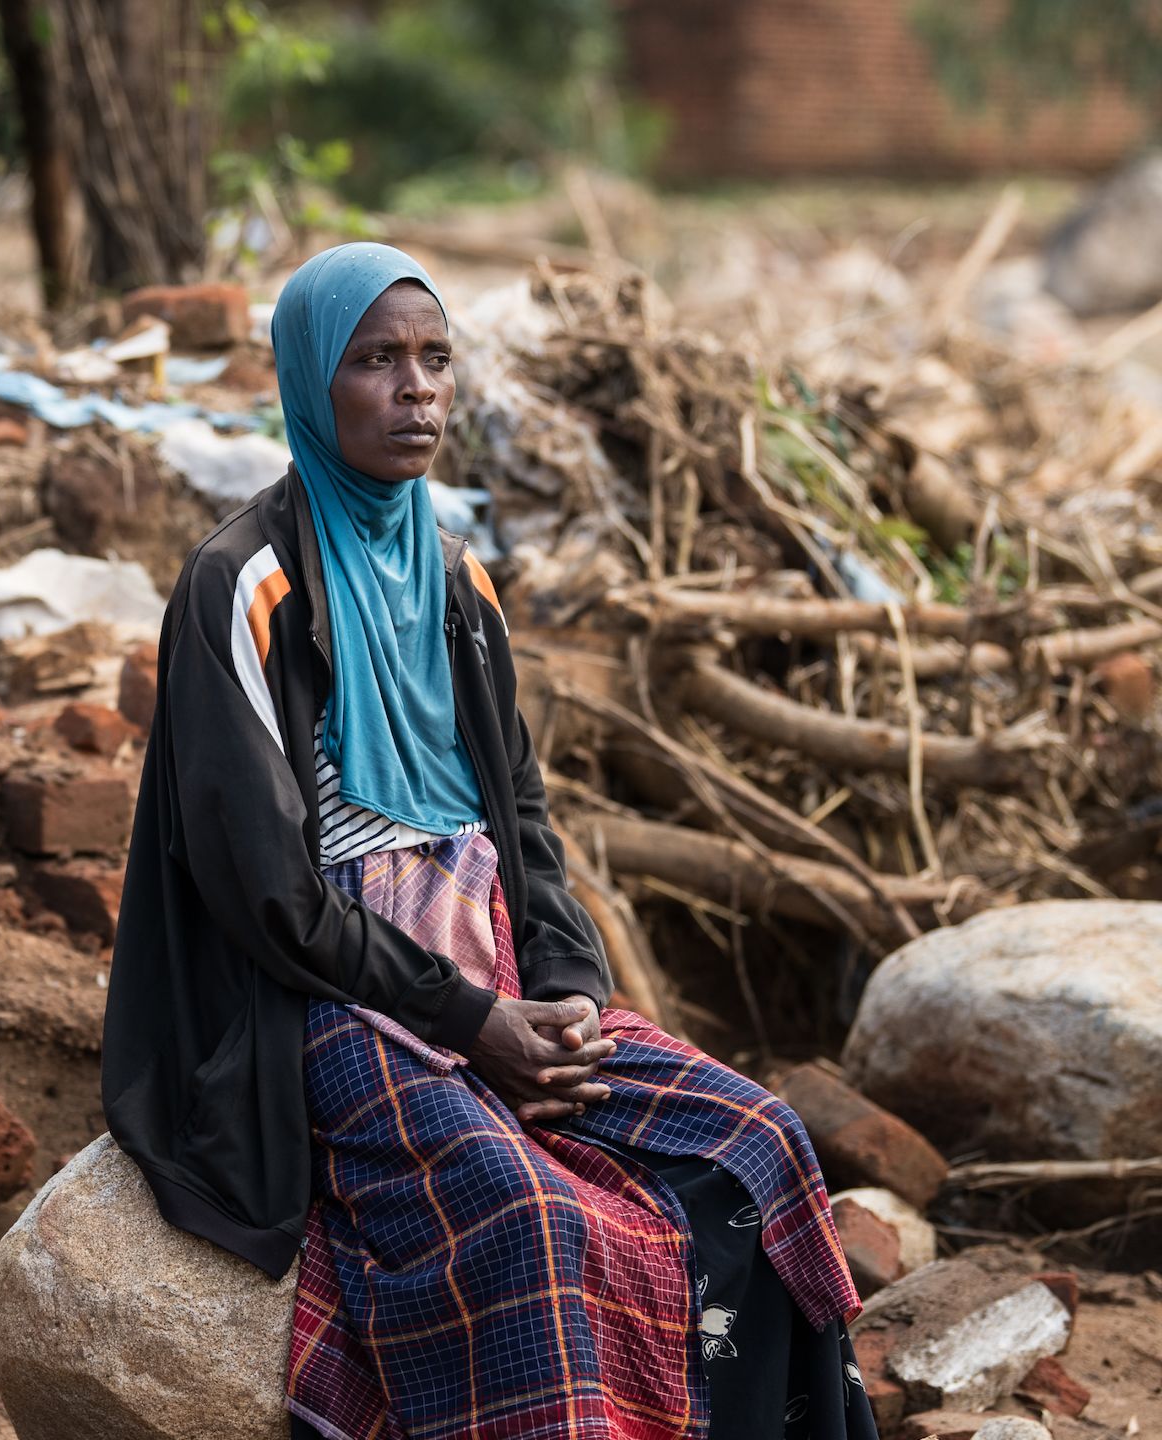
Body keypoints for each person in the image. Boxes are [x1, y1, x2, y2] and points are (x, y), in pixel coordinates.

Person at [101, 242, 873, 1440]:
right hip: (324, 1005)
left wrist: (564, 991)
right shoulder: (240, 586)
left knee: (754, 1146)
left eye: (434, 360)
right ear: (311, 382)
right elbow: (267, 895)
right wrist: (472, 1026)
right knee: (536, 1222)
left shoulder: (458, 584)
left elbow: (521, 820)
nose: (416, 390)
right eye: (374, 361)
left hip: (496, 977)